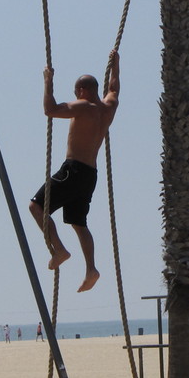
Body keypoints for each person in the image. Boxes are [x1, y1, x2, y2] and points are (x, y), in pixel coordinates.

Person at [29, 50, 120, 293]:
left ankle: (59, 248)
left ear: (80, 91)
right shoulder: (108, 107)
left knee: (36, 207)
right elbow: (114, 89)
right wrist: (116, 65)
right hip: (90, 175)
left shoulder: (83, 106)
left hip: (73, 170)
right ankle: (91, 268)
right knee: (79, 223)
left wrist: (48, 81)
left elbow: (50, 109)